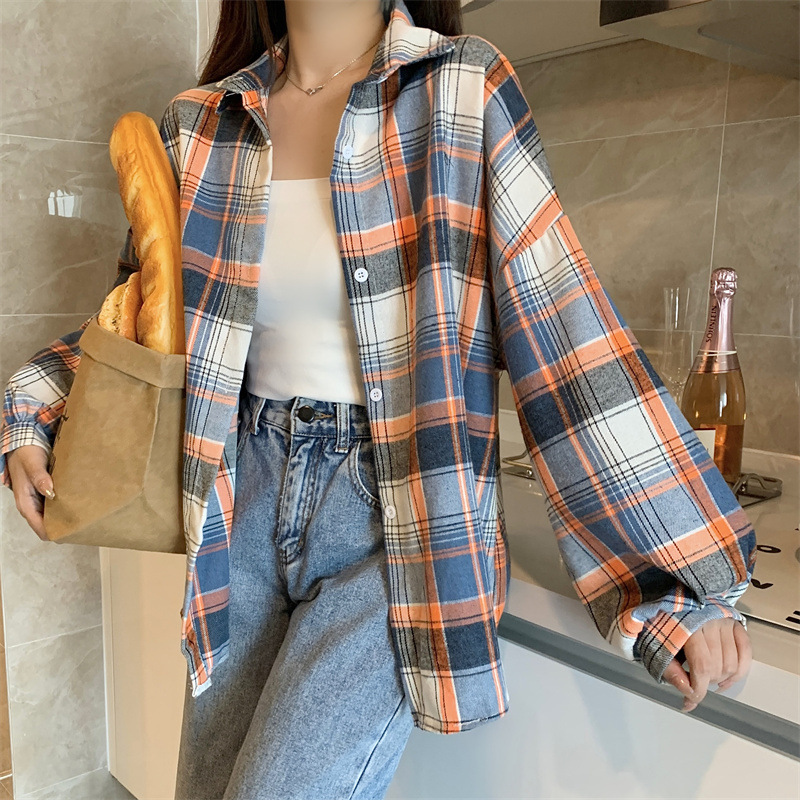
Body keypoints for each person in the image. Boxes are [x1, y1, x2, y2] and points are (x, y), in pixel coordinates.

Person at [0, 0, 756, 798]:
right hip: (238, 501)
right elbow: (139, 324)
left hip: (396, 515)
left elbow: (563, 330)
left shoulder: (460, 88)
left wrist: (680, 586)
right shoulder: (202, 123)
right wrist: (33, 410)